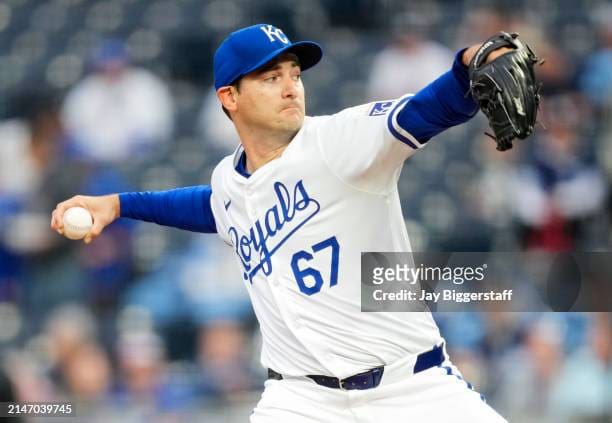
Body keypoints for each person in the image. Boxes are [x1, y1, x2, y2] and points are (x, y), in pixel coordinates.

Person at [51, 24, 513, 421]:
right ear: (229, 97)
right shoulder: (229, 182)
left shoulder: (339, 142)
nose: (291, 87)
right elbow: (209, 205)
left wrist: (466, 67)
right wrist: (118, 203)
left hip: (410, 387)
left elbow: (426, 110)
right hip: (300, 399)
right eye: (271, 78)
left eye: (294, 74)